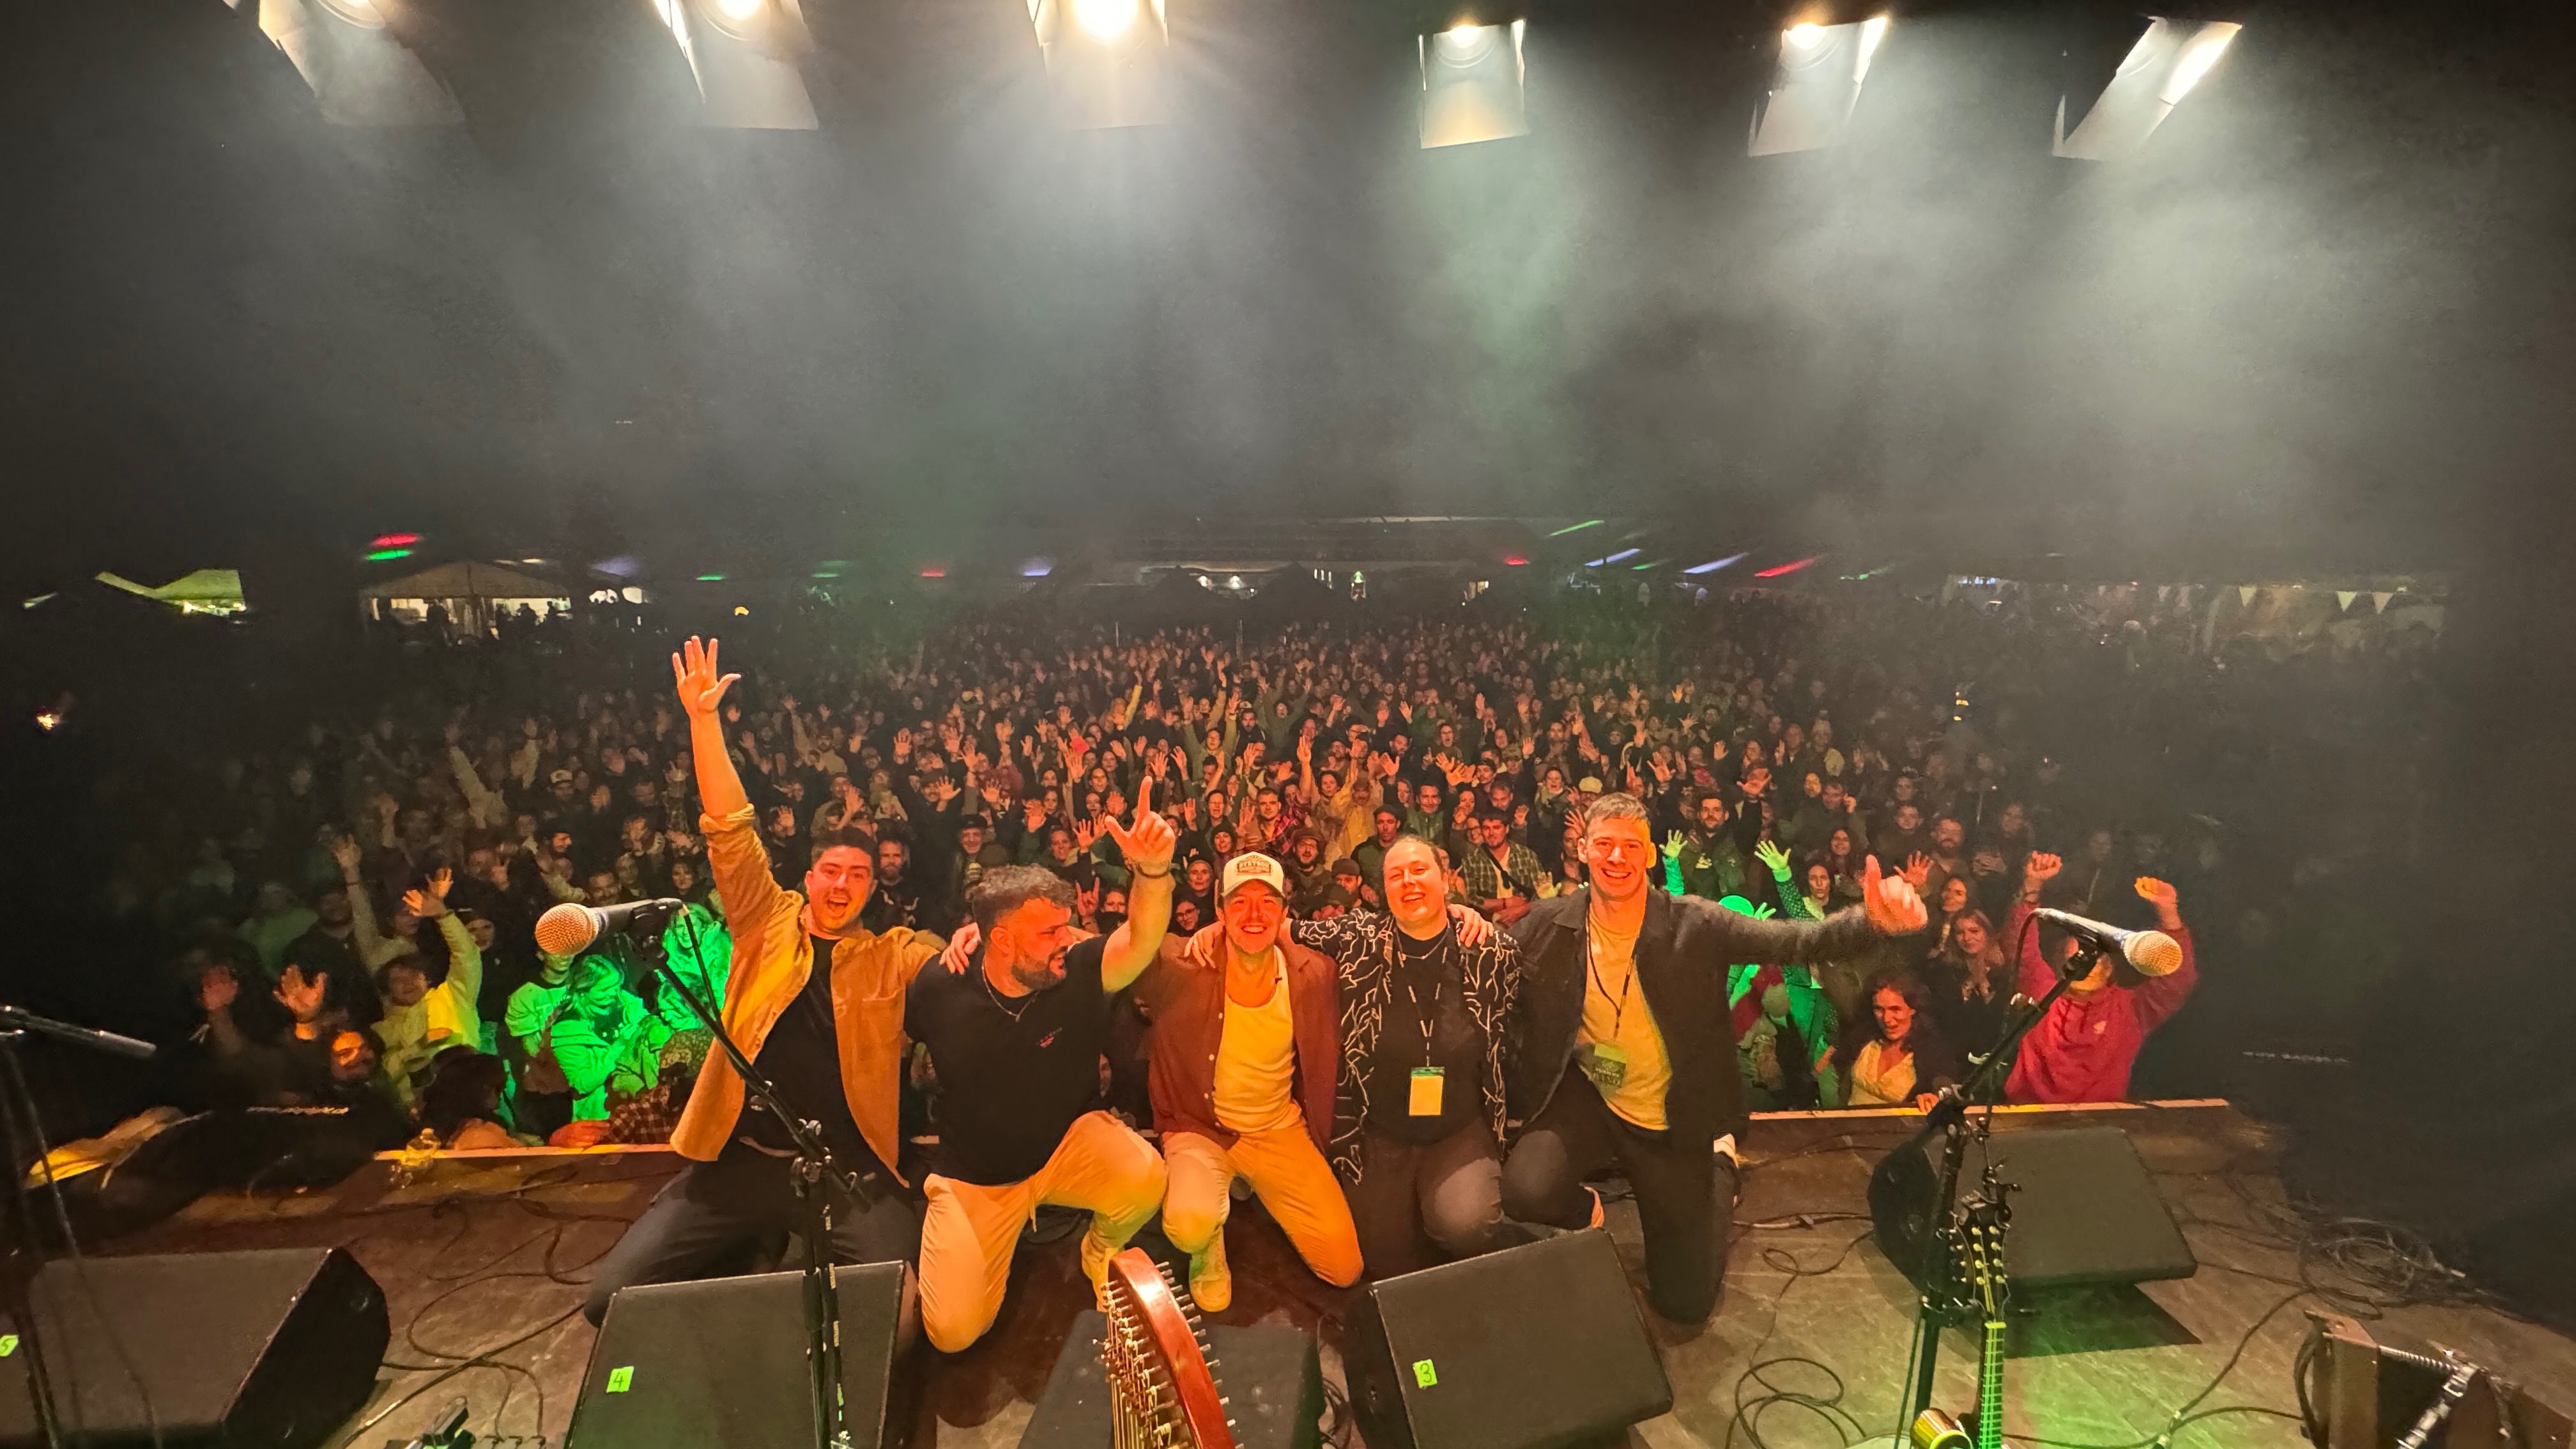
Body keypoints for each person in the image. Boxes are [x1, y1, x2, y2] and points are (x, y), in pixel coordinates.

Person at [581, 638, 945, 1328]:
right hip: (741, 1163)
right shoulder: (764, 920)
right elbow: (729, 828)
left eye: (858, 875)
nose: (842, 884)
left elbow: (948, 963)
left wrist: (965, 940)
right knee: (611, 1304)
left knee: (895, 1317)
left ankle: (778, 1253)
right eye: (831, 871)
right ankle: (758, 1250)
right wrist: (704, 722)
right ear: (808, 878)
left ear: (874, 891)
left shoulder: (890, 952)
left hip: (847, 1167)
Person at [1499, 793, 1926, 1325]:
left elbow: (1795, 942)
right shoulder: (1548, 922)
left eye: (1631, 845)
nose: (1616, 857)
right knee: (1523, 1191)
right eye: (1604, 844)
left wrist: (1871, 922)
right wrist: (1454, 921)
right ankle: (1586, 1208)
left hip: (1671, 1118)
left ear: (1651, 855)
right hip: (1592, 1100)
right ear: (1582, 849)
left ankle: (1721, 1161)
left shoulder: (1695, 924)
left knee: (1685, 1303)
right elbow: (1486, 958)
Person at [904, 790, 1176, 1353]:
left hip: (1064, 1144)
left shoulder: (1074, 970)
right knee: (953, 1334)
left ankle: (1099, 1249)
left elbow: (1143, 937)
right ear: (998, 940)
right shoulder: (939, 986)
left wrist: (1152, 871)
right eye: (1049, 932)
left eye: (1066, 926)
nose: (1067, 940)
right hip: (978, 1179)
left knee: (1146, 1177)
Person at [1137, 853, 1358, 1309]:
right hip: (1202, 1129)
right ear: (1219, 911)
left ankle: (1253, 1186)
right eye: (1239, 903)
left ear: (1284, 913)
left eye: (1266, 903)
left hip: (1278, 1129)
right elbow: (1114, 946)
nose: (1254, 915)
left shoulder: (1313, 974)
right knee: (1189, 1223)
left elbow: (1380, 937)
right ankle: (1209, 1245)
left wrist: (1454, 910)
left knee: (1344, 1268)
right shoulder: (1183, 965)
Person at [2004, 860, 2198, 1104]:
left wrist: (2168, 913)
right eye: (2075, 957)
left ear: (2109, 969)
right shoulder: (2045, 992)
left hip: (2099, 1121)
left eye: (2094, 959)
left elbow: (2176, 980)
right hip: (2029, 1117)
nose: (2086, 965)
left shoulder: (2129, 1008)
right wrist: (2032, 885)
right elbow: (2021, 951)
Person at [1823, 972, 1954, 1110]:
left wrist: (1936, 1097)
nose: (1886, 1018)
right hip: (1847, 1126)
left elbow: (1945, 1083)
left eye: (1895, 1009)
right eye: (1879, 1009)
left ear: (1913, 1009)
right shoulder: (1862, 1037)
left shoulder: (1931, 1050)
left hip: (1898, 1129)